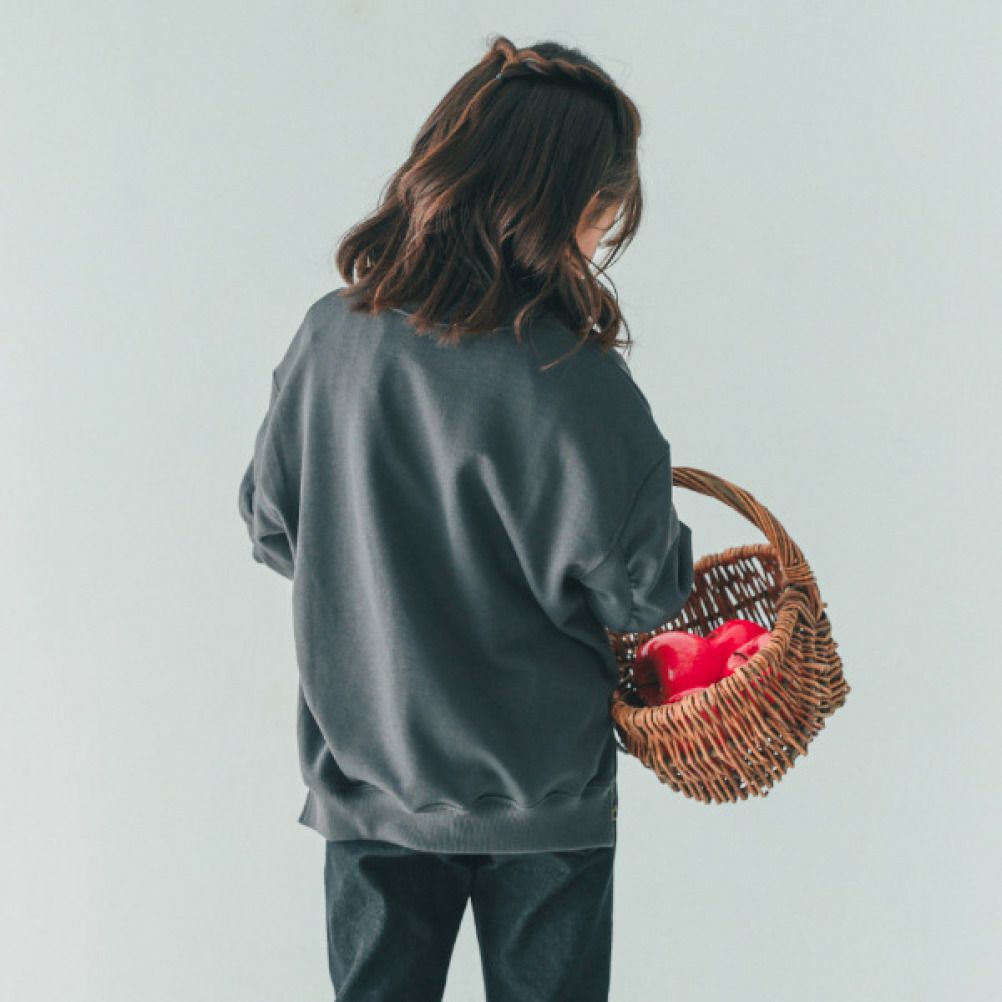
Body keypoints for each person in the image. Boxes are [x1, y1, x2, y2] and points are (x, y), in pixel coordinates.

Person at [238, 33, 694, 1002]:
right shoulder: (579, 383)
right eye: (603, 217)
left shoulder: (330, 340)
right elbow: (648, 595)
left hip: (369, 785)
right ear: (566, 207)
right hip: (547, 803)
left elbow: (273, 526)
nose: (599, 243)